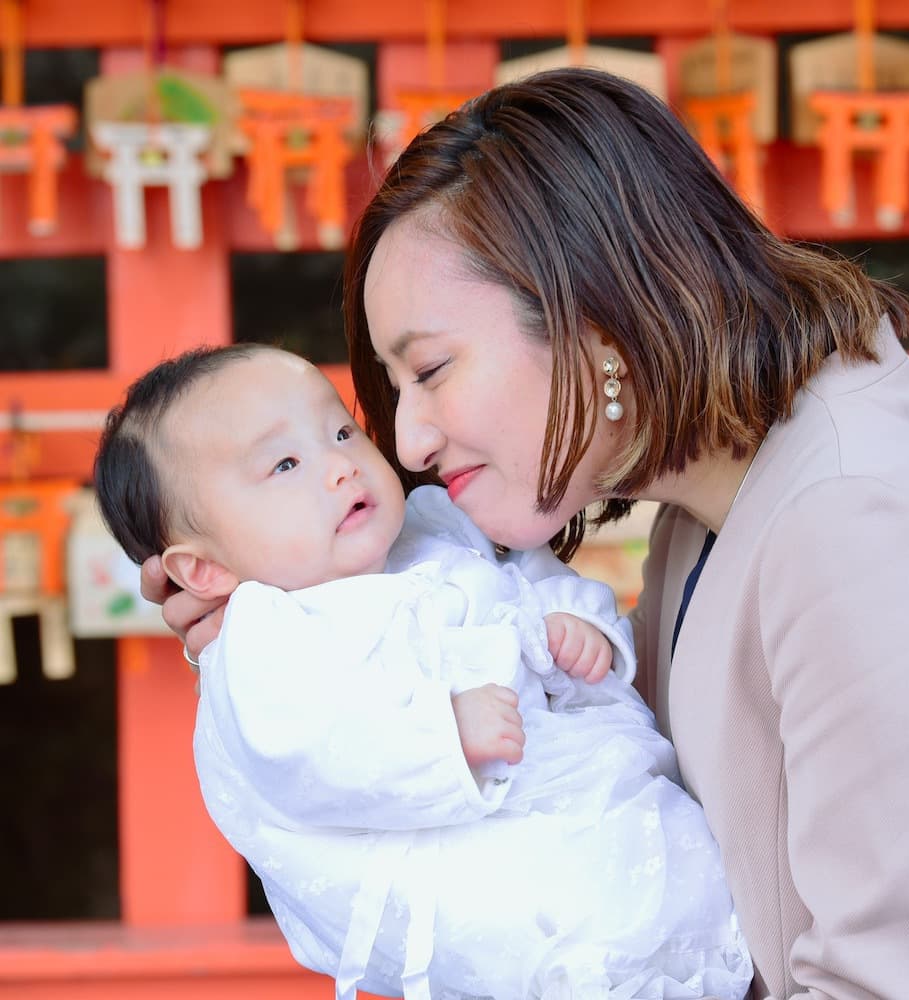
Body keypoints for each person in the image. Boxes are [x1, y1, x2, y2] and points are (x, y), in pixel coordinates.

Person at [140, 68, 909, 999]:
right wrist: (307, 641)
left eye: (428, 370)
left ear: (593, 316)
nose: (412, 443)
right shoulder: (715, 496)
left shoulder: (856, 528)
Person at [97, 343, 753, 1000]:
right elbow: (311, 752)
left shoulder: (437, 527)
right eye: (286, 463)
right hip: (495, 875)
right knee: (577, 936)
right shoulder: (266, 639)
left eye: (342, 432)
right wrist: (444, 733)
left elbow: (534, 575)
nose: (340, 467)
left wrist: (575, 622)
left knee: (679, 888)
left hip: (600, 797)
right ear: (204, 571)